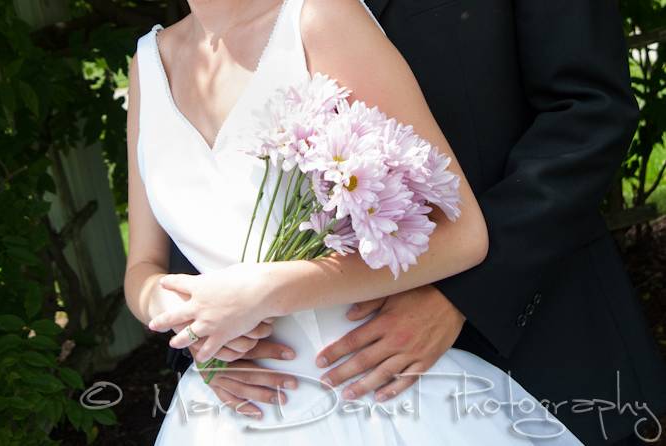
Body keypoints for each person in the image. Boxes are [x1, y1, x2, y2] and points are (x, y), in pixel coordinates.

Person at [128, 0, 665, 445]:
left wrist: (467, 294)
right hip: (254, 398)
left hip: (510, 359)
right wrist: (203, 334)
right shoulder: (161, 59)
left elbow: (587, 110)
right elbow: (197, 220)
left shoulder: (322, 17)